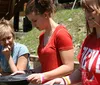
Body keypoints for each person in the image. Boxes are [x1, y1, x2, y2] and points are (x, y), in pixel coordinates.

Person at [44, 0, 100, 85]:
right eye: (85, 10)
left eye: (91, 10)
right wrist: (64, 80)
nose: (87, 15)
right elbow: (82, 70)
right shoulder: (88, 40)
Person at [25, 0, 74, 84]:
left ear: (46, 14)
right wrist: (28, 72)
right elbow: (46, 67)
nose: (33, 25)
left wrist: (43, 76)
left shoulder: (61, 34)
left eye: (35, 20)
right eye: (31, 21)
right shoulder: (42, 37)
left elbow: (69, 67)